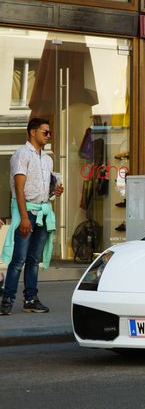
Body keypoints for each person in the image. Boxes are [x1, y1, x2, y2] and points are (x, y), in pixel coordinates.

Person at [1, 118, 64, 315]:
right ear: (33, 132)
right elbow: (19, 189)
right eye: (45, 132)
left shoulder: (47, 159)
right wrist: (24, 217)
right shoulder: (21, 155)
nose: (48, 136)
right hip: (27, 211)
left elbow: (46, 190)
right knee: (18, 258)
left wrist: (55, 191)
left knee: (34, 259)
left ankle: (30, 298)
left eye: (49, 133)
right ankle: (7, 300)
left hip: (44, 212)